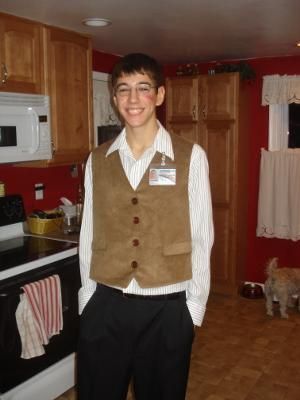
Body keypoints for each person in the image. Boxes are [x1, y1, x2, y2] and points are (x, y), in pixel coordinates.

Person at [77, 53, 214, 400]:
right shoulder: (97, 160)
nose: (133, 99)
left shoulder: (191, 156)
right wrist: (88, 297)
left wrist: (193, 307)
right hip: (107, 304)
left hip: (166, 309)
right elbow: (89, 233)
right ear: (114, 97)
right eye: (123, 90)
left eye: (143, 88)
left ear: (160, 95)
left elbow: (202, 236)